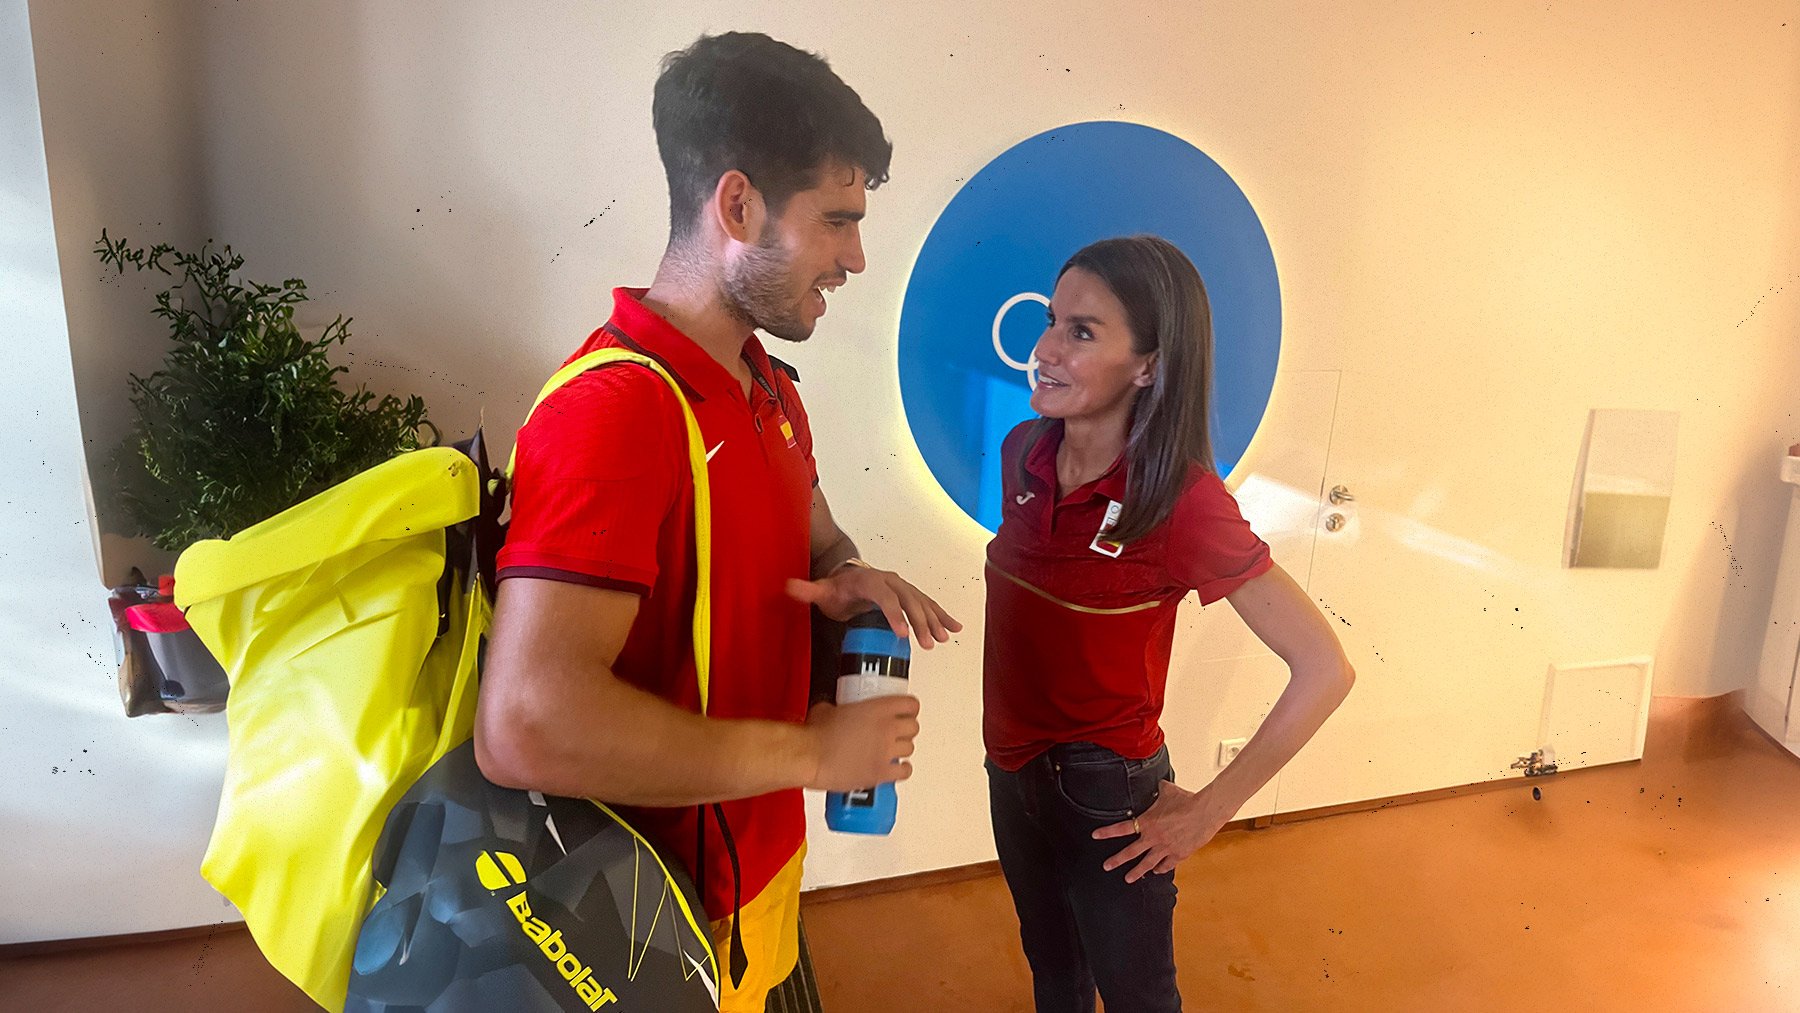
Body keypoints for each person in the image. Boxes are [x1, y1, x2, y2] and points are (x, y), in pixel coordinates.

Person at [474, 32, 960, 1012]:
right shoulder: (617, 410)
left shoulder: (768, 387)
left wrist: (849, 570)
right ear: (737, 204)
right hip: (643, 927)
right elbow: (524, 725)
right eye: (835, 222)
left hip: (761, 890)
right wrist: (820, 754)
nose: (856, 257)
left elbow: (815, 535)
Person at [983, 236, 1356, 1012]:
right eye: (1052, 321)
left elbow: (1325, 668)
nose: (1046, 349)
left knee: (1139, 997)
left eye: (1082, 332)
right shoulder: (1024, 452)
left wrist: (1210, 808)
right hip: (1009, 771)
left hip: (1108, 796)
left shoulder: (1184, 504)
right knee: (1053, 977)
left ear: (1148, 365)